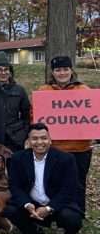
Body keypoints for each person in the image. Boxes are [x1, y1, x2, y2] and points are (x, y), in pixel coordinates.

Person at [3, 123, 83, 234]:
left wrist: (49, 208)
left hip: (57, 203)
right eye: (34, 138)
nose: (40, 142)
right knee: (9, 210)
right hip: (32, 203)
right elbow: (15, 186)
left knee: (72, 218)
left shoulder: (66, 159)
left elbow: (69, 189)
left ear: (50, 140)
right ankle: (33, 231)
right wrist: (27, 204)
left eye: (44, 138)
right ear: (28, 141)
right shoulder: (18, 158)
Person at [37, 56, 93, 215]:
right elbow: (35, 115)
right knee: (54, 181)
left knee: (78, 182)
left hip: (80, 147)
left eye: (65, 69)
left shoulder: (84, 90)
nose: (62, 73)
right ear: (52, 72)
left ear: (71, 70)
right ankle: (55, 212)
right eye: (58, 70)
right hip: (54, 147)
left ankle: (78, 213)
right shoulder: (43, 91)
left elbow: (94, 114)